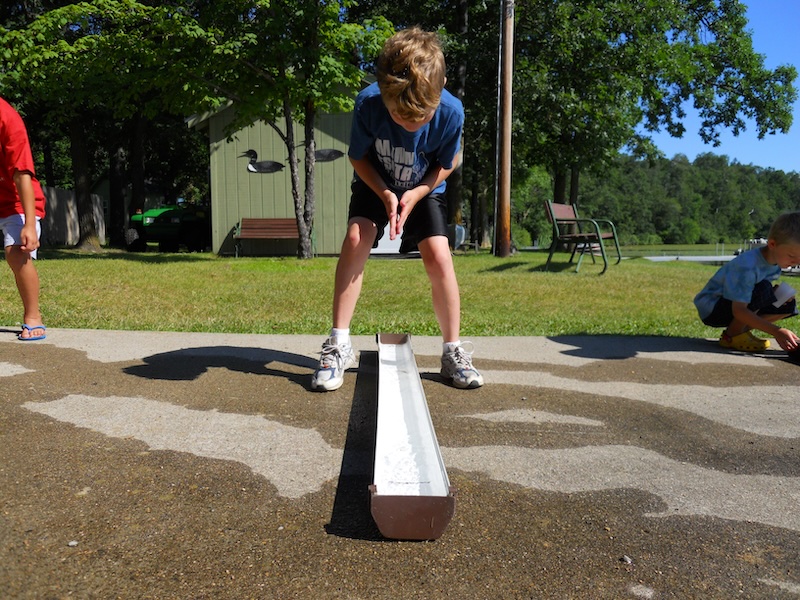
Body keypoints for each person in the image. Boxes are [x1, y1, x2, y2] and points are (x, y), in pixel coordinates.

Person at [311, 27, 483, 391]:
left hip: (426, 185)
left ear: (441, 89)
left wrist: (418, 192)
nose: (410, 124)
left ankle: (452, 351)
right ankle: (338, 343)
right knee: (357, 236)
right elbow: (357, 157)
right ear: (383, 92)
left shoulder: (452, 112)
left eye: (420, 119)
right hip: (376, 181)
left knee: (439, 253)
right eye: (400, 117)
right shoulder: (368, 104)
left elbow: (447, 163)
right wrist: (386, 194)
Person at [694, 211, 800, 352]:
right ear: (772, 244)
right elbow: (739, 310)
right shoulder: (748, 266)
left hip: (736, 304)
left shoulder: (775, 263)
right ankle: (732, 336)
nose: (797, 262)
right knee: (764, 289)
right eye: (792, 256)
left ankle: (741, 331)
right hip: (713, 308)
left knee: (787, 303)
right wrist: (776, 331)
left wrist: (774, 293)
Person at [0, 96, 46, 341]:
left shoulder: (7, 119)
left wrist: (29, 223)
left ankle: (33, 316)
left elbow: (22, 175)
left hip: (17, 199)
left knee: (16, 253)